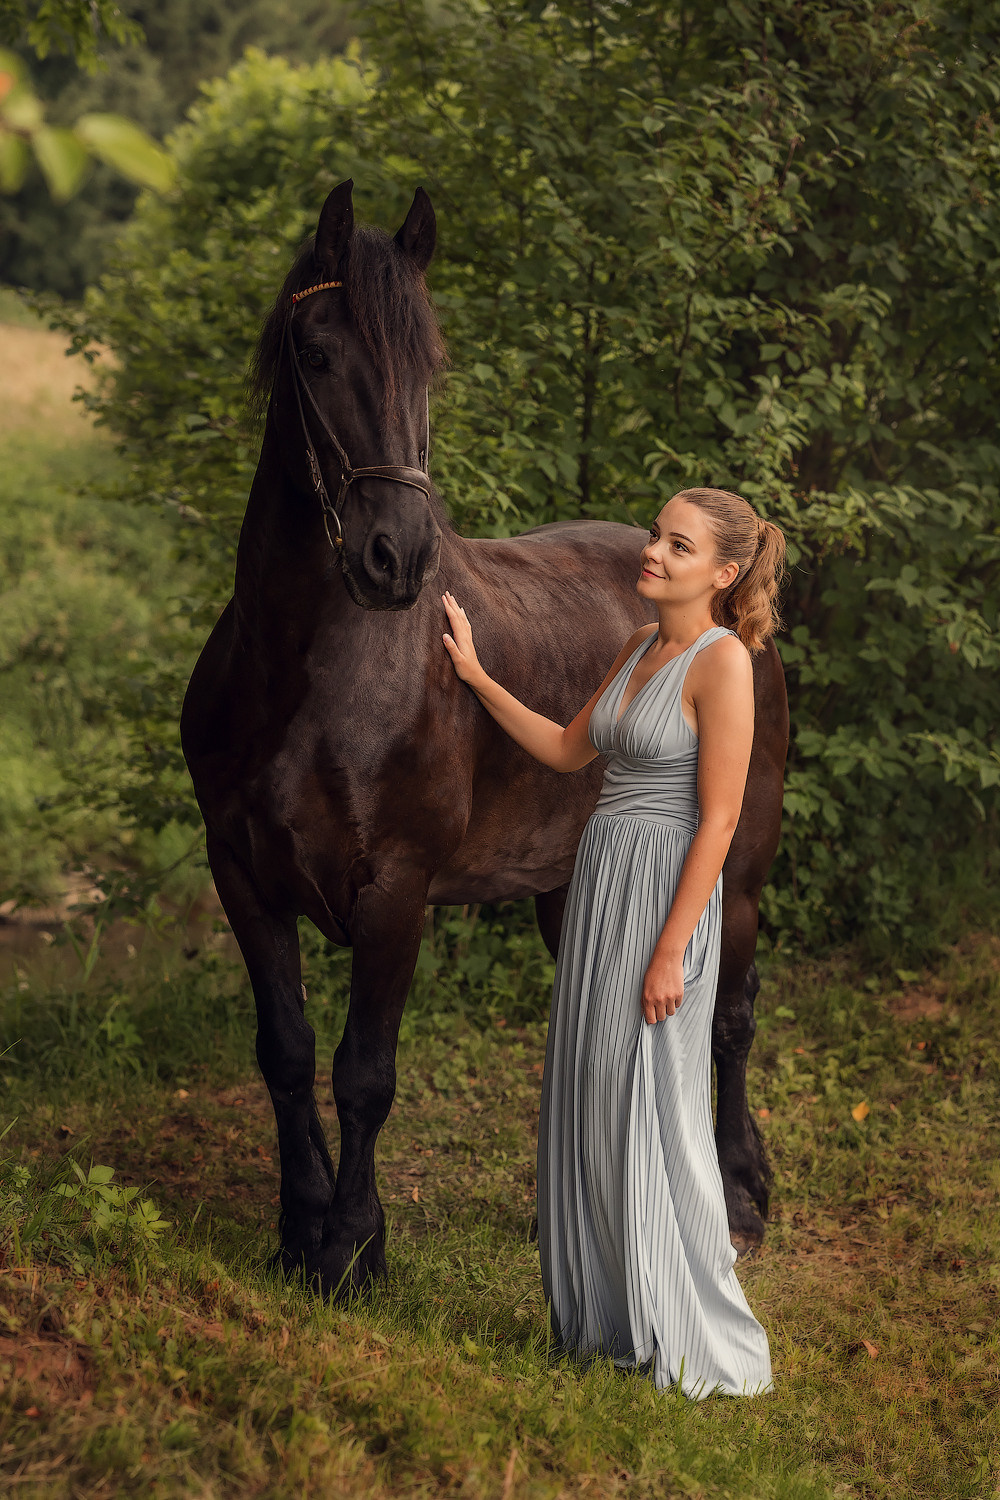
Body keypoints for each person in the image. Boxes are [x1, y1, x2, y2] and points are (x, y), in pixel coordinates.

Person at [441, 486, 785, 1399]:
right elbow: (564, 750)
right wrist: (477, 678)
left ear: (722, 571)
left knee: (654, 1095)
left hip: (666, 890)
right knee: (590, 1086)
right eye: (655, 536)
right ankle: (601, 1318)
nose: (654, 553)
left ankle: (679, 1320)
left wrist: (674, 949)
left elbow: (718, 823)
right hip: (601, 880)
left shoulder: (723, 665)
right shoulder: (639, 646)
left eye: (679, 546)